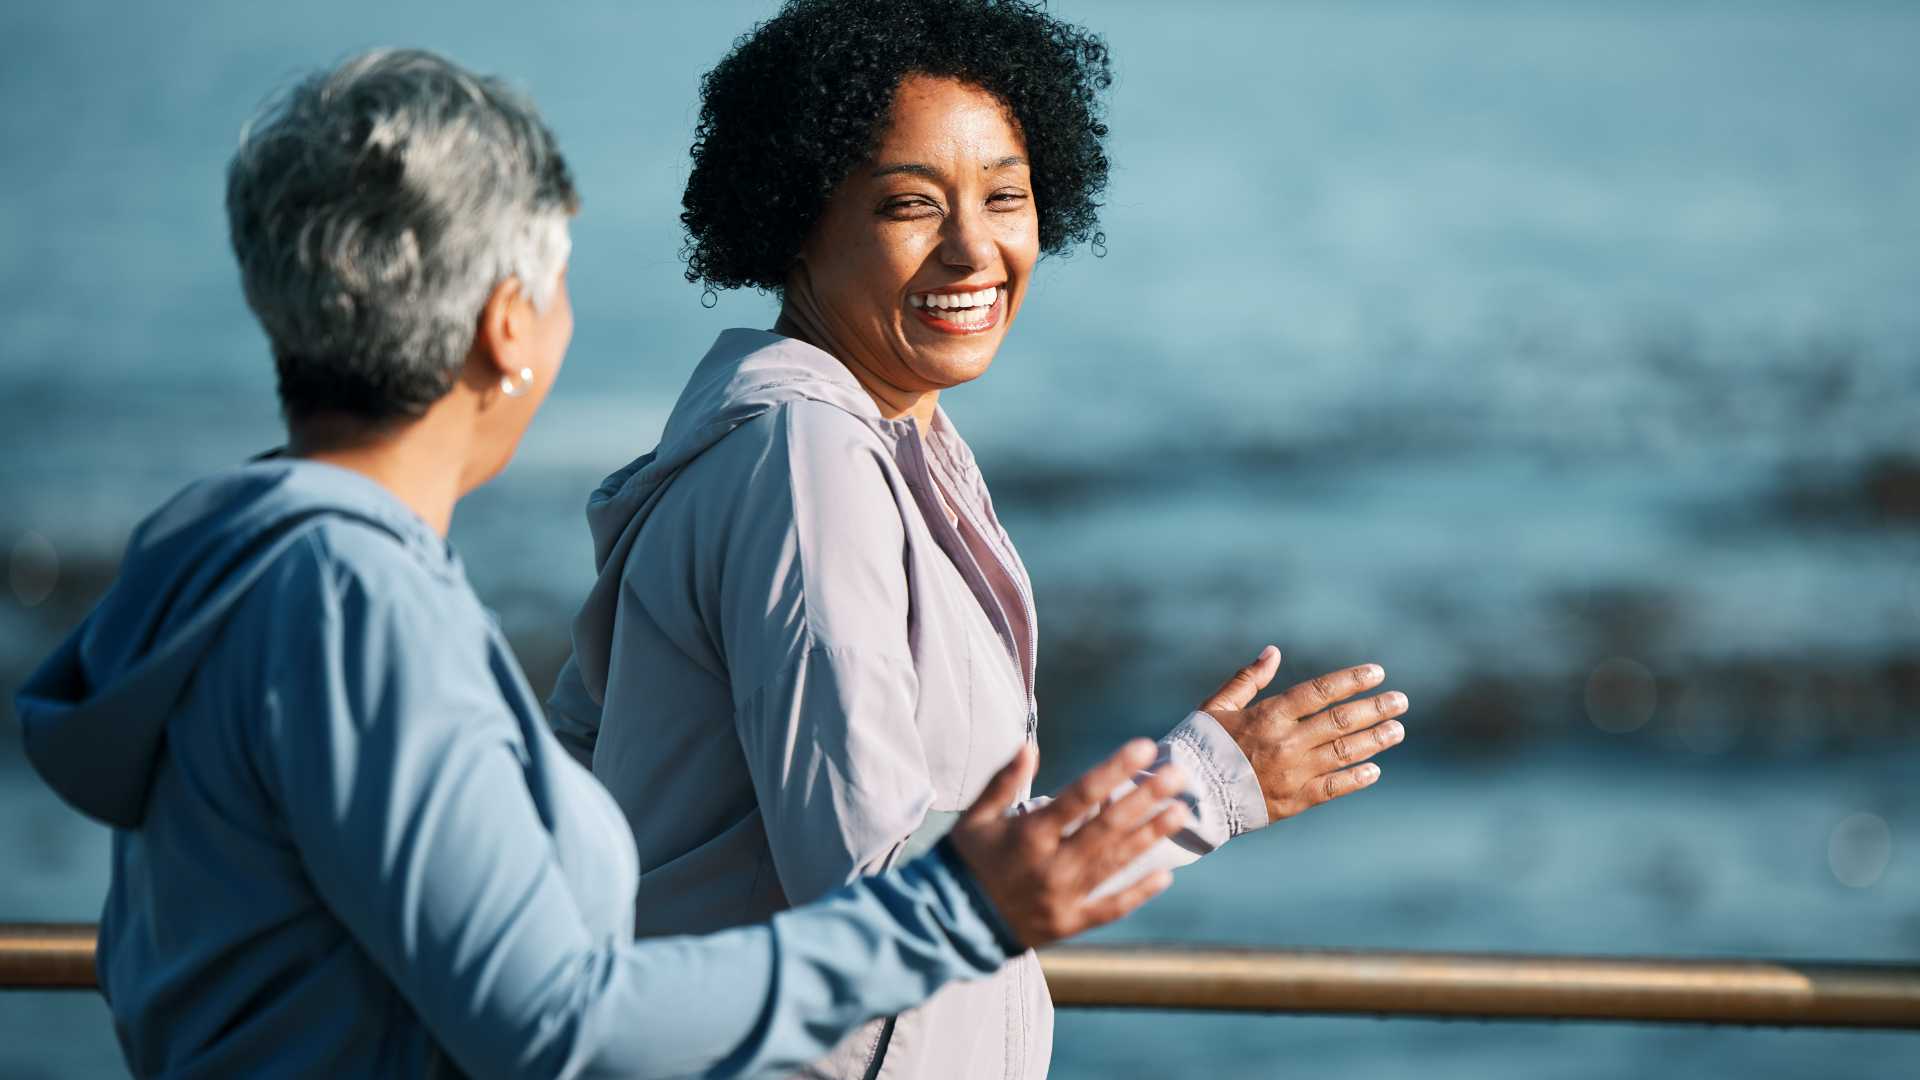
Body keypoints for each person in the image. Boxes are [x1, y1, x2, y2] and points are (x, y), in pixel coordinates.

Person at [13, 48, 1196, 1080]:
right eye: (561, 280)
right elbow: (557, 1019)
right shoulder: (349, 605)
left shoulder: (239, 567)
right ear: (507, 327)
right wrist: (953, 912)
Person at [546, 1, 1413, 1076]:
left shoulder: (883, 440)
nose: (975, 248)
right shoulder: (805, 459)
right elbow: (872, 892)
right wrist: (1205, 788)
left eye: (1006, 195)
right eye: (911, 204)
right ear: (796, 216)